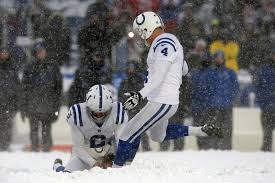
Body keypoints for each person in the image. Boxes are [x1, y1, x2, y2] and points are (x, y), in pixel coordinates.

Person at [113, 12, 223, 167]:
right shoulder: (170, 41)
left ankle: (118, 169)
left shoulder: (163, 43)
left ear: (147, 29)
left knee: (128, 133)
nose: (141, 37)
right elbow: (184, 69)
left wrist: (140, 95)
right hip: (166, 100)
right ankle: (199, 131)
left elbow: (159, 75)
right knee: (158, 136)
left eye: (141, 32)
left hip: (161, 100)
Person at [53, 85, 127, 172]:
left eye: (103, 113)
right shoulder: (78, 114)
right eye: (95, 113)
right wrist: (93, 163)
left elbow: (120, 142)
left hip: (108, 150)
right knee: (68, 174)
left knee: (120, 172)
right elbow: (78, 147)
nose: (99, 116)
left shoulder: (118, 112)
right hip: (85, 151)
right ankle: (57, 166)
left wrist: (113, 158)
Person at [21, 42, 62, 152]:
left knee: (46, 128)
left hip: (47, 103)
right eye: (39, 51)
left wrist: (56, 106)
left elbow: (58, 88)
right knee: (33, 129)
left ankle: (46, 148)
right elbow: (24, 88)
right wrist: (24, 106)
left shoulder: (53, 67)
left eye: (42, 51)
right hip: (33, 104)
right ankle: (34, 148)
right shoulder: (29, 67)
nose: (41, 53)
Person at [255, 48, 275, 151]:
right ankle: (266, 147)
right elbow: (258, 86)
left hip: (268, 104)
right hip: (267, 105)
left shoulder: (264, 69)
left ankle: (266, 147)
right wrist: (261, 100)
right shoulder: (264, 70)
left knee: (267, 127)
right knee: (267, 128)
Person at [0, 47, 20, 151]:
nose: (3, 55)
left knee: (8, 125)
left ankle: (6, 145)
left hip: (9, 102)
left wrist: (16, 103)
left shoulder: (13, 68)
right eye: (2, 53)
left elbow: (17, 87)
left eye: (5, 53)